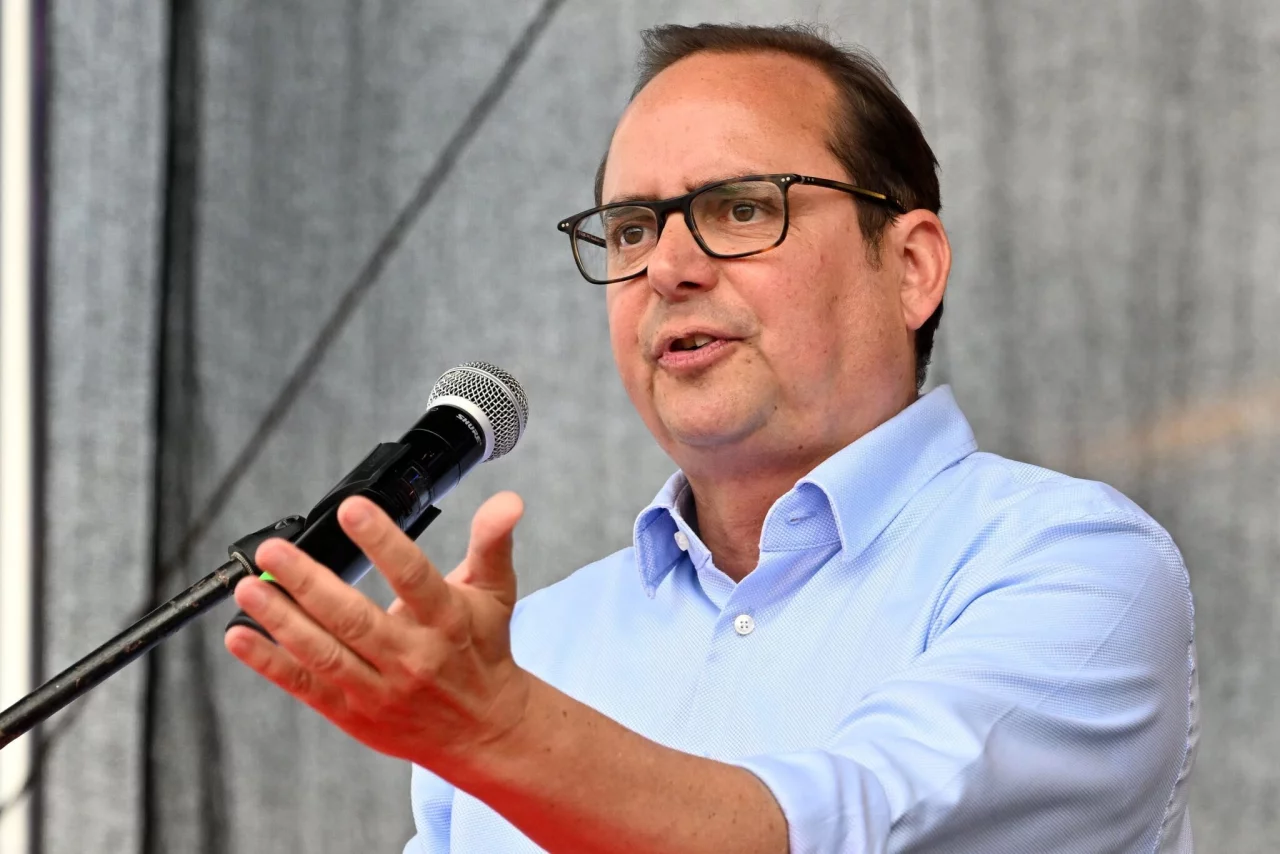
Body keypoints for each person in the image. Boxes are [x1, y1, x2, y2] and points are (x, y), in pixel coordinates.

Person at [224, 22, 1198, 853]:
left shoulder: (1074, 562)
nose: (667, 267)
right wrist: (495, 719)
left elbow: (843, 830)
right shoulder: (531, 643)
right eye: (631, 228)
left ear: (909, 267)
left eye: (740, 208)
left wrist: (505, 734)